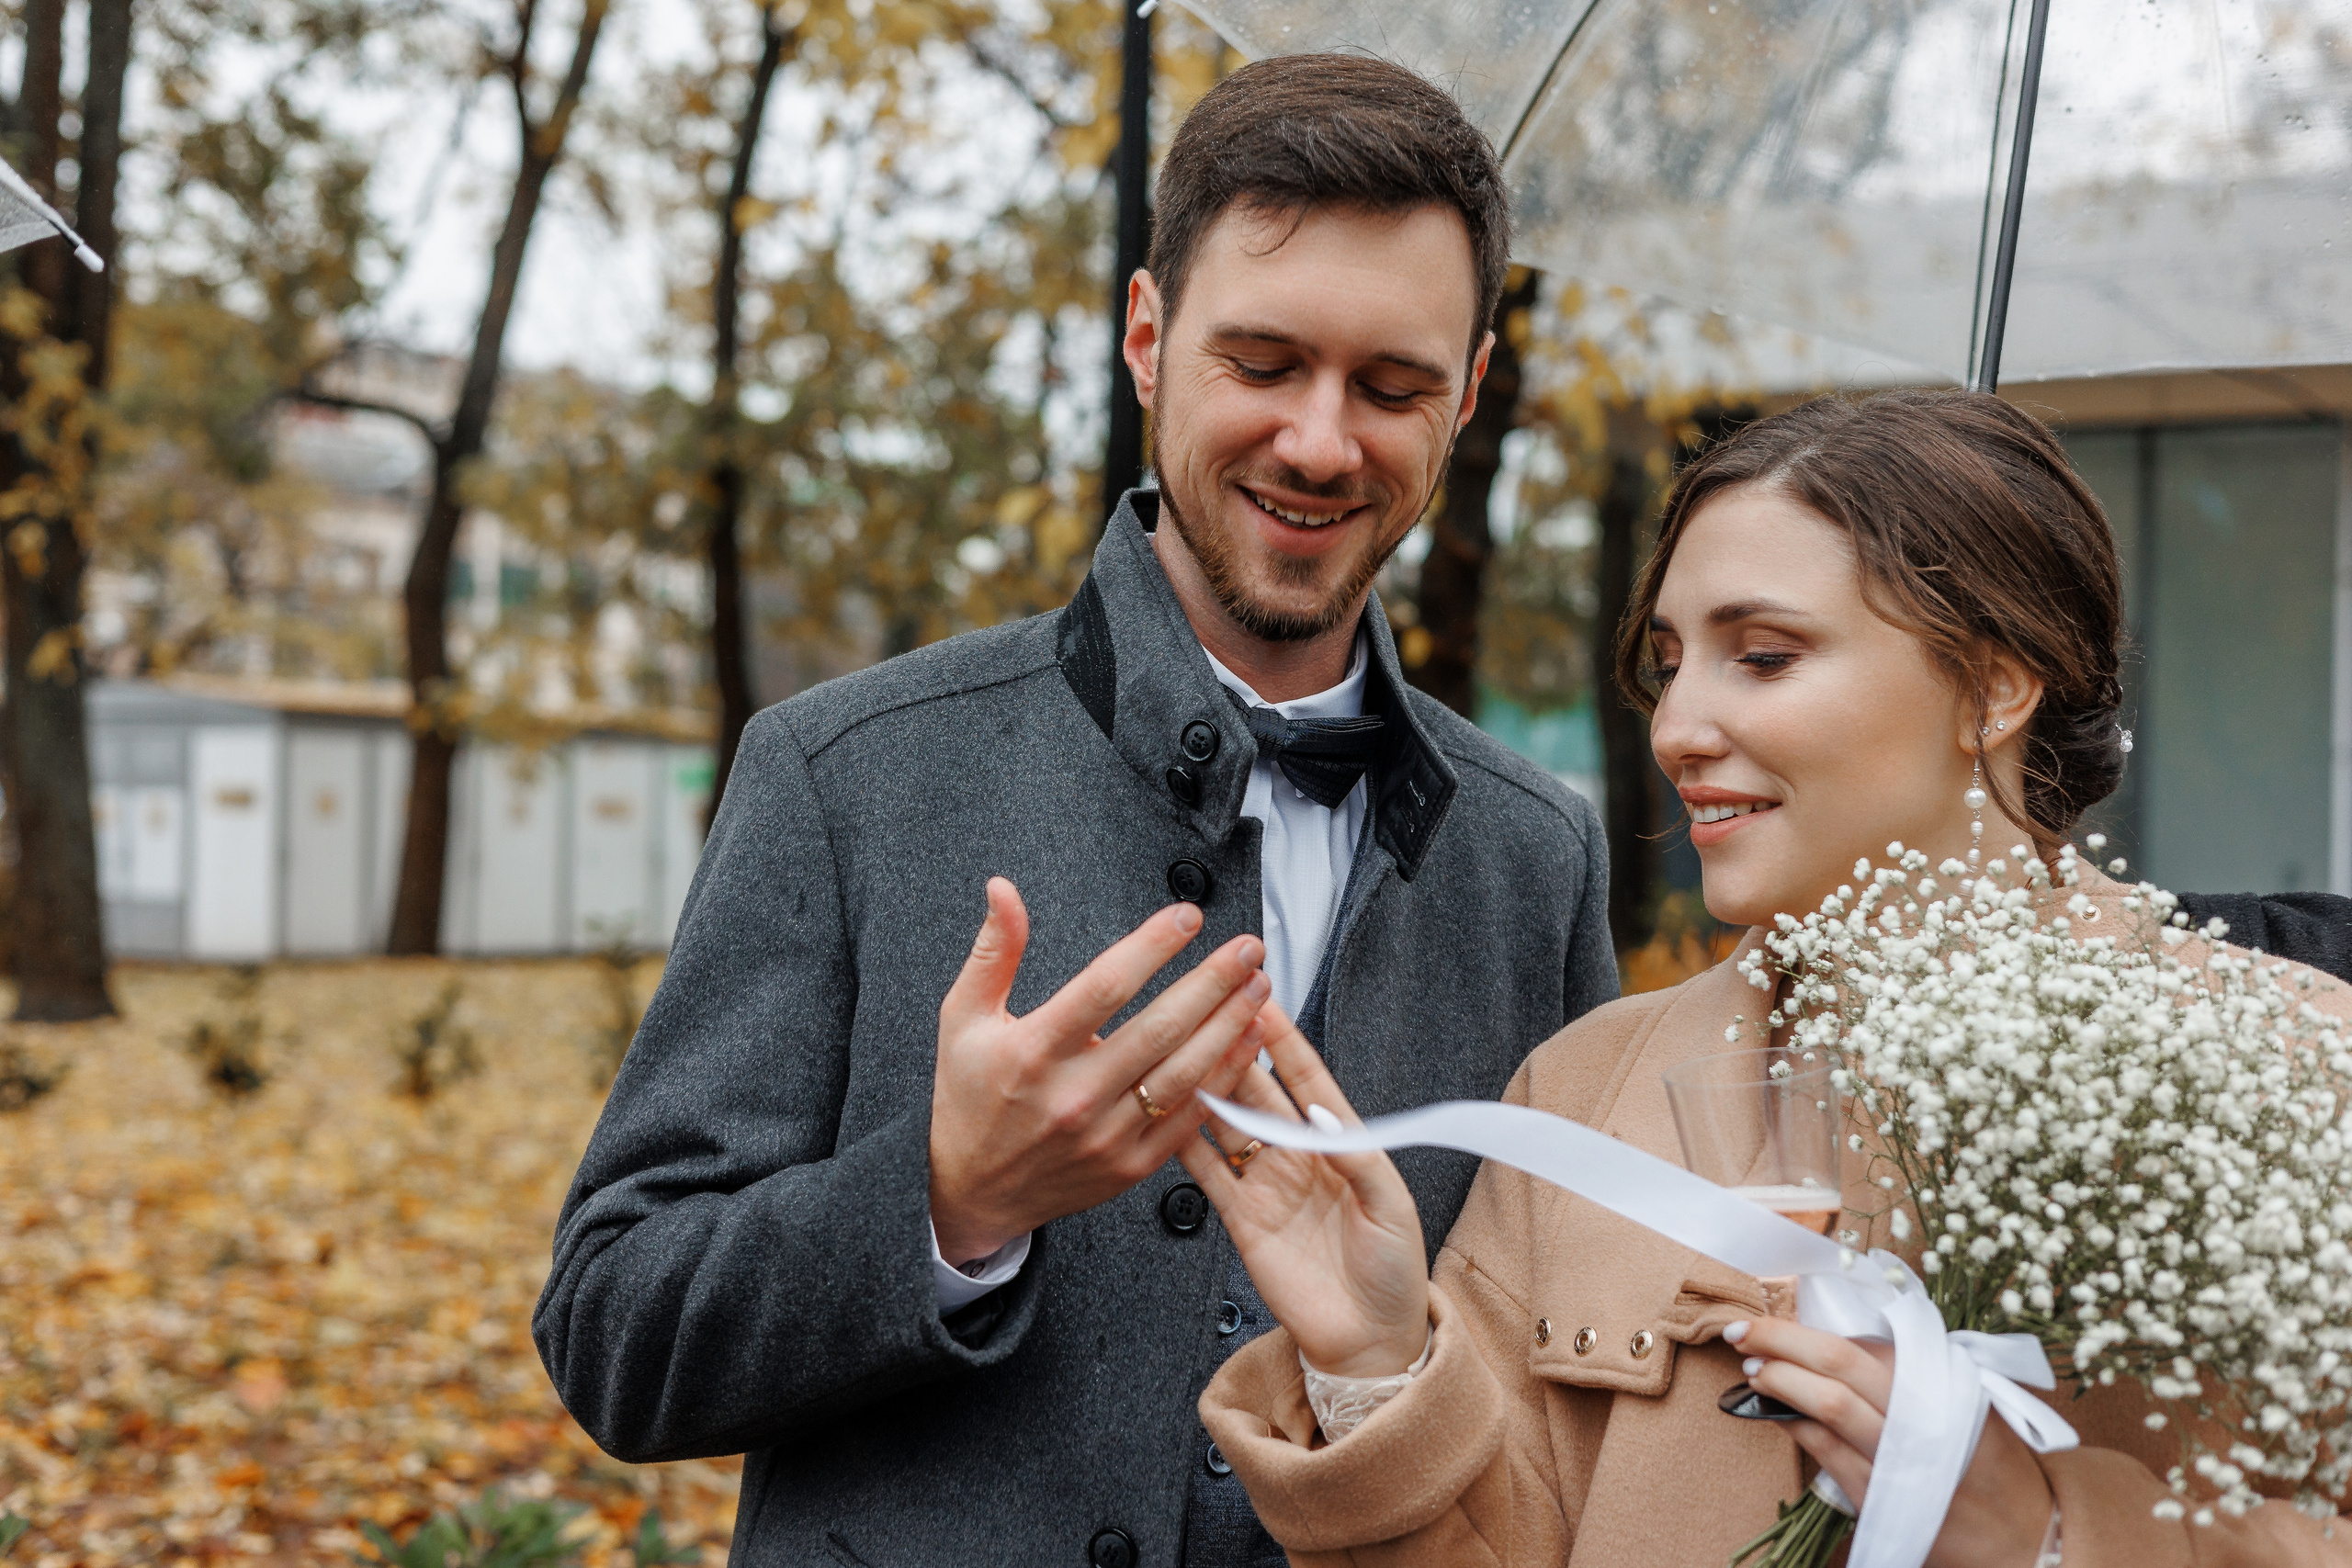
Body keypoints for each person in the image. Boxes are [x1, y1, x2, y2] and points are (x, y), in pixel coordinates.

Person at [531, 54, 1617, 1568]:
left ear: (1471, 394)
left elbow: (1573, 1407)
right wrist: (946, 1197)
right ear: (1148, 338)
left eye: (1391, 387)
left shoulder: (1538, 858)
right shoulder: (843, 770)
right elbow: (614, 1331)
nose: (1322, 442)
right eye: (1264, 363)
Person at [1186, 389, 2352, 1566]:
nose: (1676, 729)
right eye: (1670, 665)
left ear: (1995, 687)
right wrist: (1377, 1369)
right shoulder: (1581, 1095)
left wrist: (2048, 1534)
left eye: (1763, 657)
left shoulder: (2298, 1074)